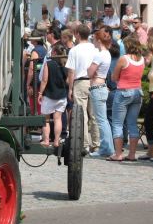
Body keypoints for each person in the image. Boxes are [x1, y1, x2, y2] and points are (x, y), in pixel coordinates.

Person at [108, 35, 144, 161]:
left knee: (117, 123)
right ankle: (132, 154)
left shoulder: (124, 59)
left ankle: (118, 154)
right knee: (132, 123)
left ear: (127, 46)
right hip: (138, 92)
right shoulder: (142, 59)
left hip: (123, 92)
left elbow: (114, 77)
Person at [66, 24, 99, 153]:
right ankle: (96, 143)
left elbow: (71, 71)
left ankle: (84, 143)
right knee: (94, 114)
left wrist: (70, 88)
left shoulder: (74, 50)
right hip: (94, 81)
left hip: (80, 82)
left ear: (78, 34)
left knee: (82, 114)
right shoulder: (95, 48)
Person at [87, 29, 114, 157]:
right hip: (102, 86)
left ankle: (105, 148)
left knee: (101, 120)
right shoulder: (107, 53)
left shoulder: (99, 55)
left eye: (93, 39)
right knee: (104, 120)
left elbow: (89, 72)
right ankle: (108, 147)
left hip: (97, 87)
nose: (93, 41)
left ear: (98, 40)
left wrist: (89, 68)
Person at [38, 43, 68, 147]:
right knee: (58, 119)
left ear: (54, 52)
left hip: (49, 95)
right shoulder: (65, 64)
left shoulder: (49, 64)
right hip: (61, 95)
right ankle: (56, 141)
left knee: (46, 119)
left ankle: (46, 140)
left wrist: (40, 92)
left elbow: (44, 80)